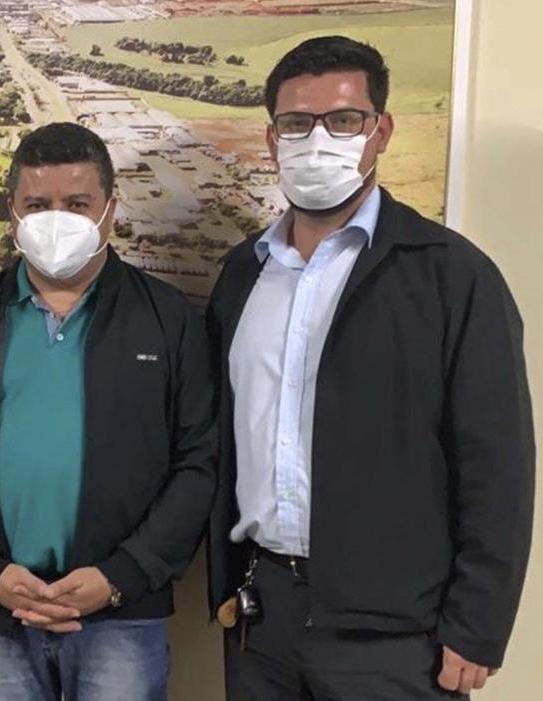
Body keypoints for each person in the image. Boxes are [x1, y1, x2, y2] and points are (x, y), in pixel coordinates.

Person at [206, 36, 534, 700]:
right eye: (296, 123)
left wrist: (478, 624)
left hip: (395, 637)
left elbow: (497, 462)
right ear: (272, 138)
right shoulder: (244, 274)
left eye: (343, 120)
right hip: (262, 621)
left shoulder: (451, 275)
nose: (317, 140)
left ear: (380, 131)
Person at [0, 122, 217, 701]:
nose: (57, 220)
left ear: (110, 210)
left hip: (121, 611)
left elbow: (200, 461)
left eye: (77, 204)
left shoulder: (166, 317)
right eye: (38, 205)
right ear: (13, 213)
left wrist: (121, 576)